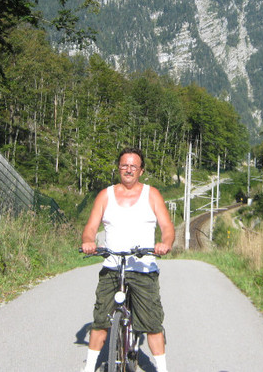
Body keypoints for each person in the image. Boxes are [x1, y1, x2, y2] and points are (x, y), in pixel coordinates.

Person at [80, 147, 175, 372]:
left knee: (152, 324)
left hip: (143, 267)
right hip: (113, 265)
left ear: (141, 170)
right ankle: (89, 368)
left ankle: (162, 369)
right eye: (124, 165)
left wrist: (165, 243)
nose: (129, 169)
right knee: (101, 320)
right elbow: (91, 227)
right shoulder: (106, 195)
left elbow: (167, 227)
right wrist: (88, 241)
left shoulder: (152, 195)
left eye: (134, 166)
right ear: (119, 168)